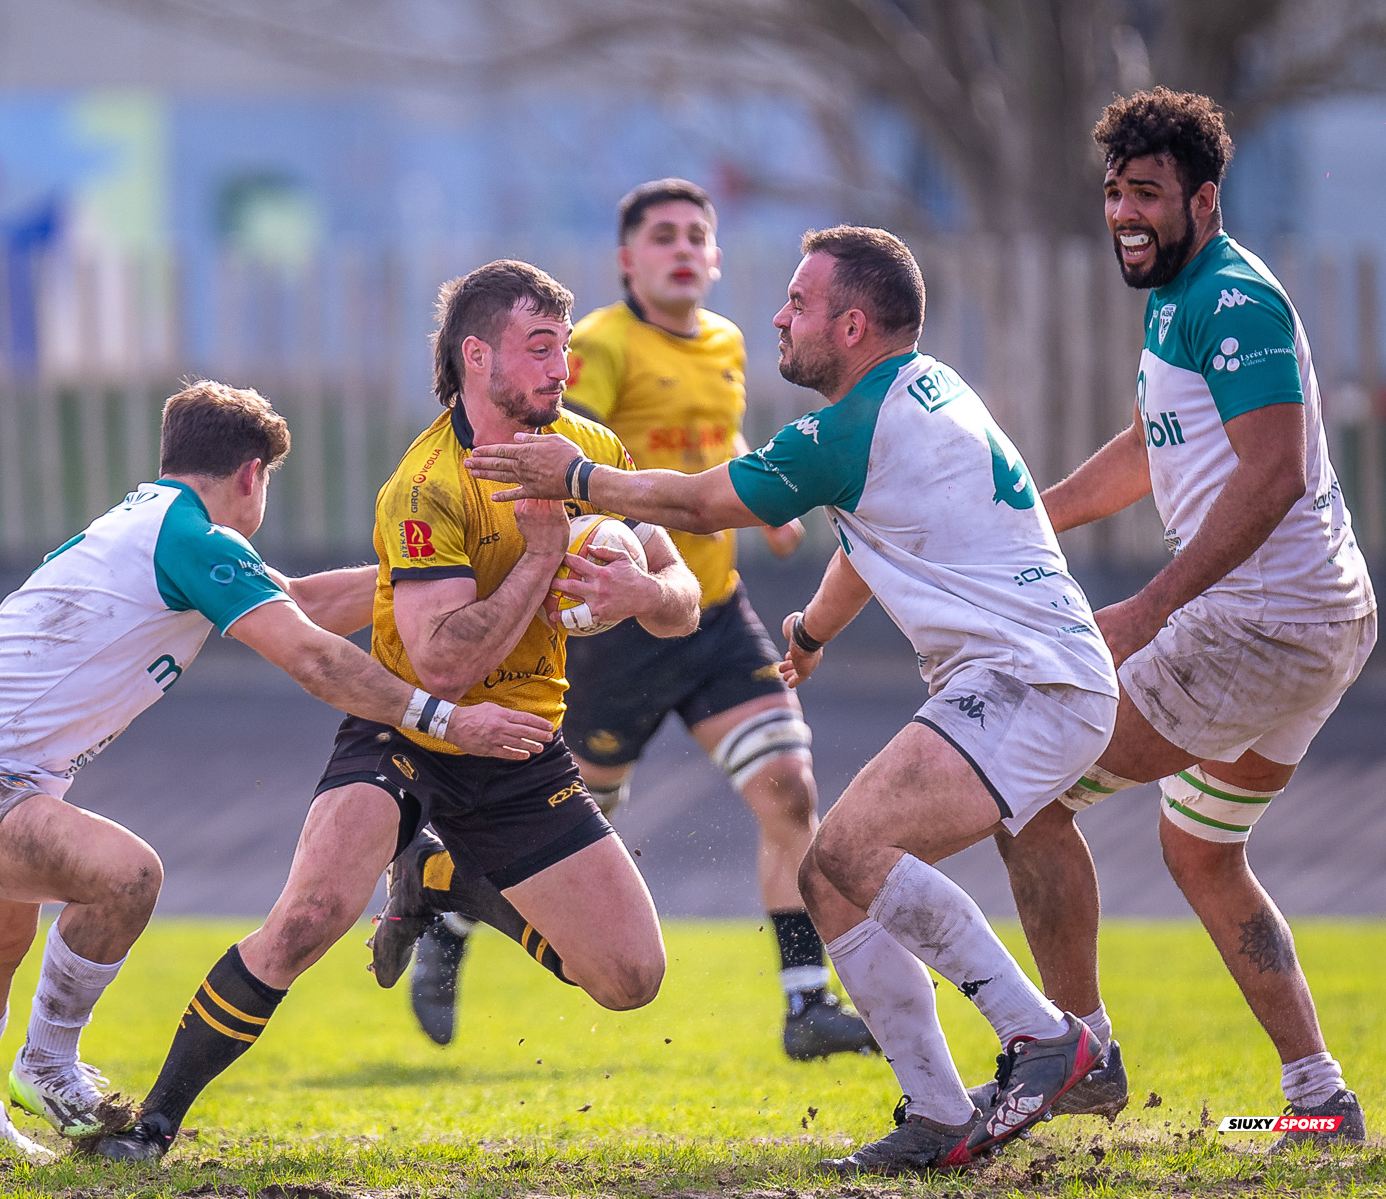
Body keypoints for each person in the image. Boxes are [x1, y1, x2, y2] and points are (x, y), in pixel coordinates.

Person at [467, 226, 1115, 1174]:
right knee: (827, 876)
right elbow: (868, 541)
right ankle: (940, 1112)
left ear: (852, 327)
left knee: (850, 849)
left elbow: (700, 505)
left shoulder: (849, 427)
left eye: (800, 303)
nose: (778, 315)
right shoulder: (925, 391)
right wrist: (809, 630)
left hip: (1030, 679)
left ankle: (1044, 1035)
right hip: (1038, 674)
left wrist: (576, 478)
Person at [88, 259, 701, 1161]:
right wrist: (540, 559)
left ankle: (441, 877)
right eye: (540, 348)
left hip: (519, 744)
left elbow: (686, 596)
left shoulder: (590, 450)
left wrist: (644, 593)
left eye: (564, 347)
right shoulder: (425, 484)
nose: (562, 368)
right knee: (308, 918)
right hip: (407, 725)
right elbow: (442, 662)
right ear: (477, 356)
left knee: (630, 976)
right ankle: (151, 1127)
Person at [0, 380, 552, 1159]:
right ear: (250, 474)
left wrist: (438, 579)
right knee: (126, 877)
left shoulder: (158, 523)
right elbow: (311, 655)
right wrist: (444, 718)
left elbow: (297, 601)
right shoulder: (196, 540)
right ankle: (49, 1063)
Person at [977, 88, 1375, 1146]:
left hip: (1264, 624)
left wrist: (1149, 609)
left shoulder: (1230, 299)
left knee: (1025, 790)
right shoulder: (1179, 294)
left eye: (1148, 193)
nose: (1125, 213)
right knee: (1202, 847)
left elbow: (1274, 473)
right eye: (1115, 192)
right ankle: (1321, 1098)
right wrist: (1031, 518)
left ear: (1204, 199)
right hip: (1319, 619)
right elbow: (1152, 445)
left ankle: (1081, 1052)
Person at [406, 178, 874, 1061]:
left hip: (711, 609)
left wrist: (766, 506)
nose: (683, 249)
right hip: (610, 624)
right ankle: (450, 904)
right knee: (583, 817)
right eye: (664, 236)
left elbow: (715, 433)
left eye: (698, 235)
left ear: (717, 255)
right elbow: (551, 448)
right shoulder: (596, 347)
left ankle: (806, 1002)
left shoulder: (728, 341)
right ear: (627, 260)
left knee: (790, 787)